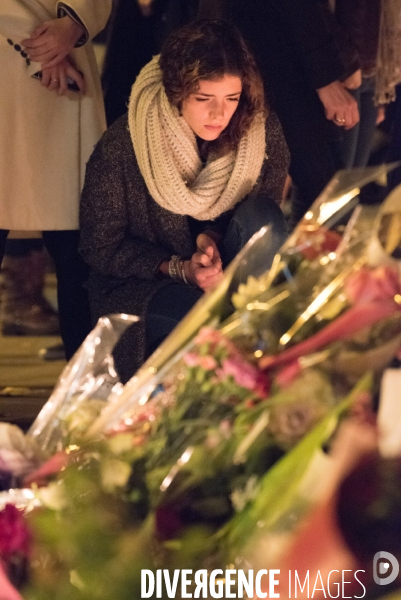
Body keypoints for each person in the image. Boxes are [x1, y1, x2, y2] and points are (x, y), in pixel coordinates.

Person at [79, 19, 289, 382]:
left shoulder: (259, 130)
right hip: (145, 285)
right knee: (202, 329)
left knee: (264, 217)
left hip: (228, 271)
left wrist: (212, 238)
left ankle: (262, 341)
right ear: (178, 92)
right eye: (203, 99)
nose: (219, 114)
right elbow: (100, 248)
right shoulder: (125, 145)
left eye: (232, 98)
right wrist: (178, 268)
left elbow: (261, 218)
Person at [0, 0, 111, 359]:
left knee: (80, 250)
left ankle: (86, 397)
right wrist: (46, 48)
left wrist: (74, 25)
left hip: (66, 67)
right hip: (29, 64)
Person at [197, 0, 360, 227]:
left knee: (325, 196)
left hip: (259, 50)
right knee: (331, 198)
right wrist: (326, 80)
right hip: (274, 59)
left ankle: (297, 259)